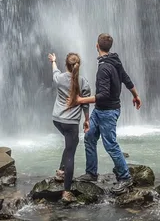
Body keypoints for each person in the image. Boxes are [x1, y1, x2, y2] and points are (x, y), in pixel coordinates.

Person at [76, 33, 142, 195]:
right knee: (89, 137)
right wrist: (136, 95)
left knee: (110, 144)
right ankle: (91, 173)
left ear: (96, 46)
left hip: (108, 111)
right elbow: (126, 79)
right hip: (100, 110)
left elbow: (103, 94)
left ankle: (125, 177)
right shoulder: (114, 60)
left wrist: (81, 100)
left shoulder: (104, 68)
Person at [48, 52, 91, 203]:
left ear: (66, 65)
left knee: (71, 144)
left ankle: (61, 171)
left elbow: (55, 71)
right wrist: (87, 119)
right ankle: (66, 191)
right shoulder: (83, 82)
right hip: (71, 122)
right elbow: (85, 103)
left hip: (57, 120)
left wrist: (53, 60)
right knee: (70, 152)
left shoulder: (60, 79)